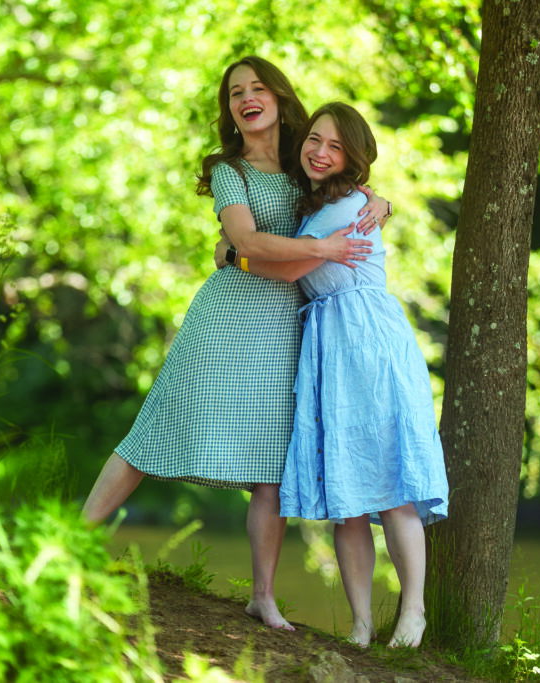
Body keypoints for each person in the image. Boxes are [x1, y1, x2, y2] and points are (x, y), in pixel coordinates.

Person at [80, 57, 392, 632]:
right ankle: (73, 546)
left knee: (272, 463)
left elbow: (350, 185)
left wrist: (382, 202)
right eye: (234, 94)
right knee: (152, 430)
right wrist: (315, 252)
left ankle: (264, 597)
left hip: (286, 324)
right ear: (230, 110)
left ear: (278, 96)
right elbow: (244, 239)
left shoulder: (305, 161)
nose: (245, 98)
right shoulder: (230, 171)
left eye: (256, 89)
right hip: (226, 319)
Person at [215, 102, 448, 649]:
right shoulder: (324, 203)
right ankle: (363, 624)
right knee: (347, 498)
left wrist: (233, 255)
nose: (320, 152)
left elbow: (292, 265)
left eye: (335, 147)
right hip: (329, 344)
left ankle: (413, 610)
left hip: (364, 339)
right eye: (314, 140)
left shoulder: (351, 206)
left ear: (354, 160)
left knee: (392, 483)